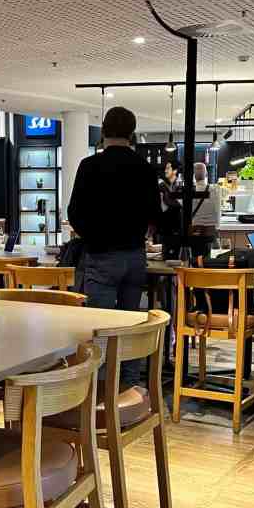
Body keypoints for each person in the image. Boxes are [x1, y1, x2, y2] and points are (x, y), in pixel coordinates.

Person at [67, 106, 159, 385]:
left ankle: (102, 391)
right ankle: (129, 387)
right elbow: (155, 213)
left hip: (102, 255)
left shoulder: (89, 166)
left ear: (104, 131)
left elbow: (74, 213)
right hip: (134, 255)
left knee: (101, 328)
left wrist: (92, 235)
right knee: (131, 324)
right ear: (132, 133)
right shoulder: (144, 168)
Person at [190, 162, 221, 255]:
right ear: (206, 174)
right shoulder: (216, 190)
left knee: (194, 258)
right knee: (208, 259)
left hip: (194, 231)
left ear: (193, 175)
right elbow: (217, 210)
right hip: (210, 232)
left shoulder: (190, 191)